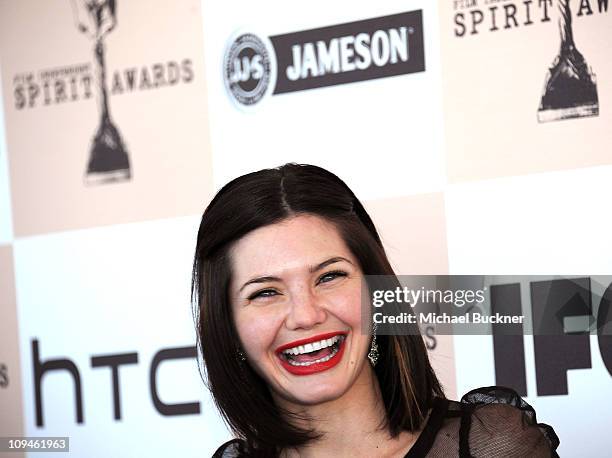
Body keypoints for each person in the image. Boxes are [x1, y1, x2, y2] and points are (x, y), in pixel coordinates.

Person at [191, 163, 559, 457]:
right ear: (230, 328)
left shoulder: (492, 447)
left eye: (330, 276)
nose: (305, 315)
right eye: (266, 292)